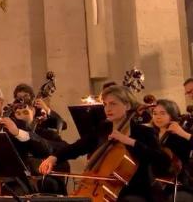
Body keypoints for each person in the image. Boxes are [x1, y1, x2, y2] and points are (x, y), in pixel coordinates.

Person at [39, 85, 167, 202]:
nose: (107, 109)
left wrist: (129, 141)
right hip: (103, 190)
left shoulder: (144, 132)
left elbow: (161, 161)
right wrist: (54, 157)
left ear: (127, 106)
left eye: (113, 104)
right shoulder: (103, 129)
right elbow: (78, 147)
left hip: (136, 191)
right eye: (105, 104)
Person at [150, 99, 193, 201]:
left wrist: (182, 133)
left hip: (176, 183)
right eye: (154, 113)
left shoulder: (178, 136)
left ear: (172, 115)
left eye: (162, 113)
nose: (157, 117)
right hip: (154, 182)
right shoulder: (151, 134)